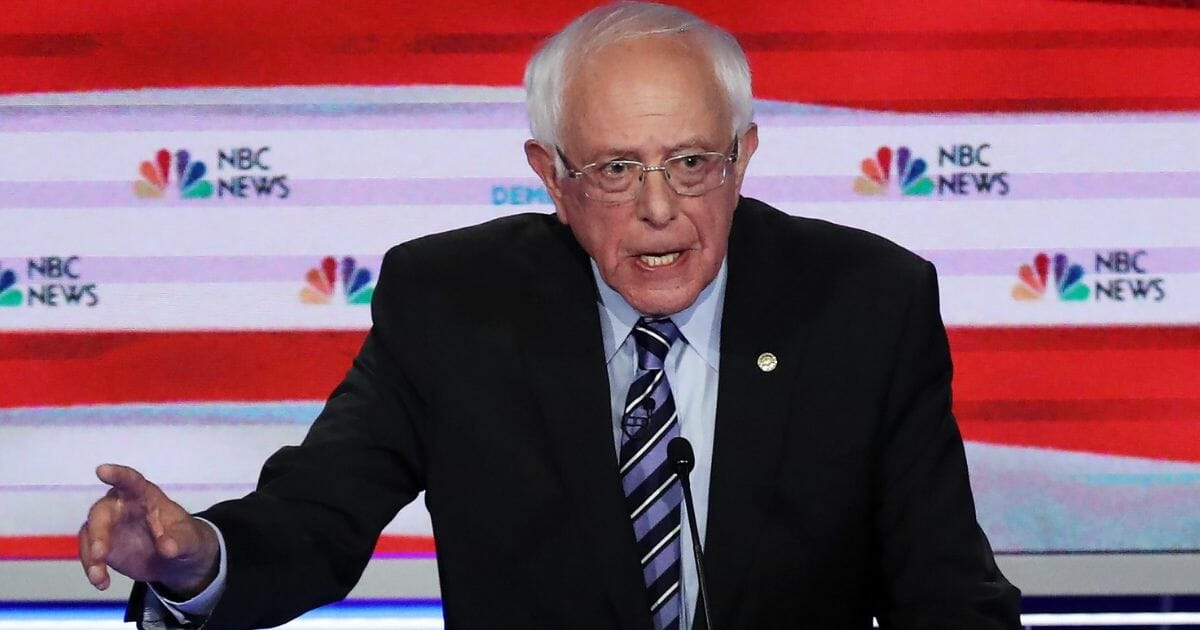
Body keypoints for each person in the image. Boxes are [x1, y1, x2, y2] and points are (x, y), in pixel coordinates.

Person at [78, 3, 1021, 629]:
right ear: (552, 178)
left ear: (744, 158)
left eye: (692, 163)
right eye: (615, 170)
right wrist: (194, 556)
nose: (660, 208)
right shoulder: (451, 306)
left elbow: (947, 592)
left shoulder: (865, 301)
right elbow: (315, 522)